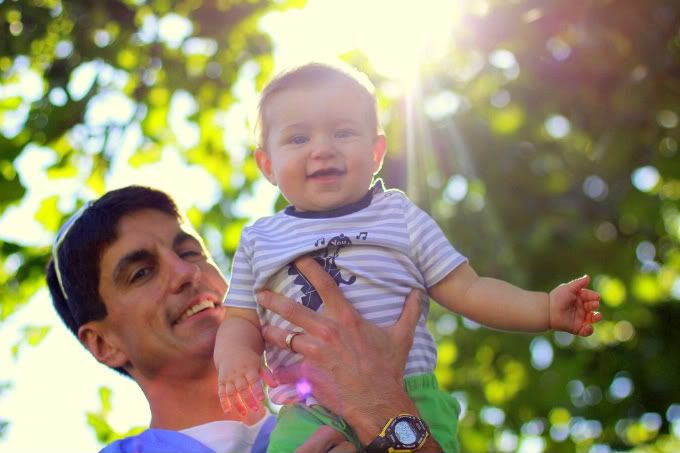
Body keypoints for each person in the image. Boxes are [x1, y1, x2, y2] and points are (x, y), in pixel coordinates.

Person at [214, 62, 603, 453]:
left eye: (343, 132)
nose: (323, 149)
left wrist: (544, 309)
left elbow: (468, 289)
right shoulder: (259, 240)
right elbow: (240, 320)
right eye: (298, 138)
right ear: (267, 165)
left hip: (409, 395)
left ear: (376, 152)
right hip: (307, 408)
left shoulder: (399, 217)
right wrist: (235, 360)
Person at [46, 185, 446, 453]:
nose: (187, 273)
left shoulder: (342, 413)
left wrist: (384, 409)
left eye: (189, 253)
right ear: (103, 343)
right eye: (141, 273)